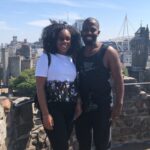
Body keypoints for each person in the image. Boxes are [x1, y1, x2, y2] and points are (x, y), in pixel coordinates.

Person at [75, 17, 124, 150]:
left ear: (98, 32)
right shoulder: (78, 54)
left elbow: (118, 79)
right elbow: (74, 80)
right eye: (86, 30)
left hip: (102, 107)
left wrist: (118, 104)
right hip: (82, 108)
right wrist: (78, 101)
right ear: (81, 32)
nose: (89, 32)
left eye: (92, 29)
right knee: (83, 143)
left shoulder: (108, 52)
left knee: (102, 144)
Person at [35, 21, 81, 150]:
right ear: (54, 39)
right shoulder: (46, 58)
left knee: (61, 143)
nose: (65, 42)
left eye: (68, 39)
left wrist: (77, 104)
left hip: (70, 108)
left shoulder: (72, 59)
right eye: (61, 38)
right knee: (61, 145)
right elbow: (39, 87)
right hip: (53, 108)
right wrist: (45, 114)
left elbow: (74, 84)